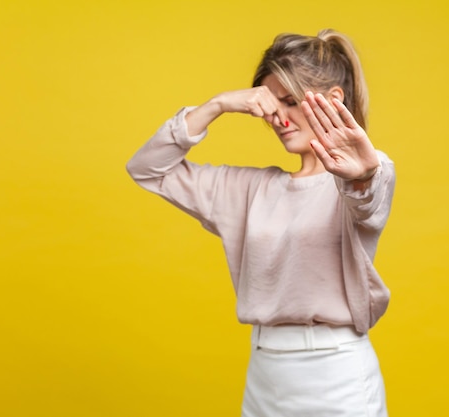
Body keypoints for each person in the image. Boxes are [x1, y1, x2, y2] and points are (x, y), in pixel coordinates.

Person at [126, 28, 395, 417]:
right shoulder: (249, 191)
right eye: (272, 105)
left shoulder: (363, 178)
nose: (279, 119)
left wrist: (363, 174)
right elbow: (148, 170)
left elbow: (369, 195)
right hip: (265, 375)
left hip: (337, 378)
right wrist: (217, 105)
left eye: (290, 101)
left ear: (333, 100)